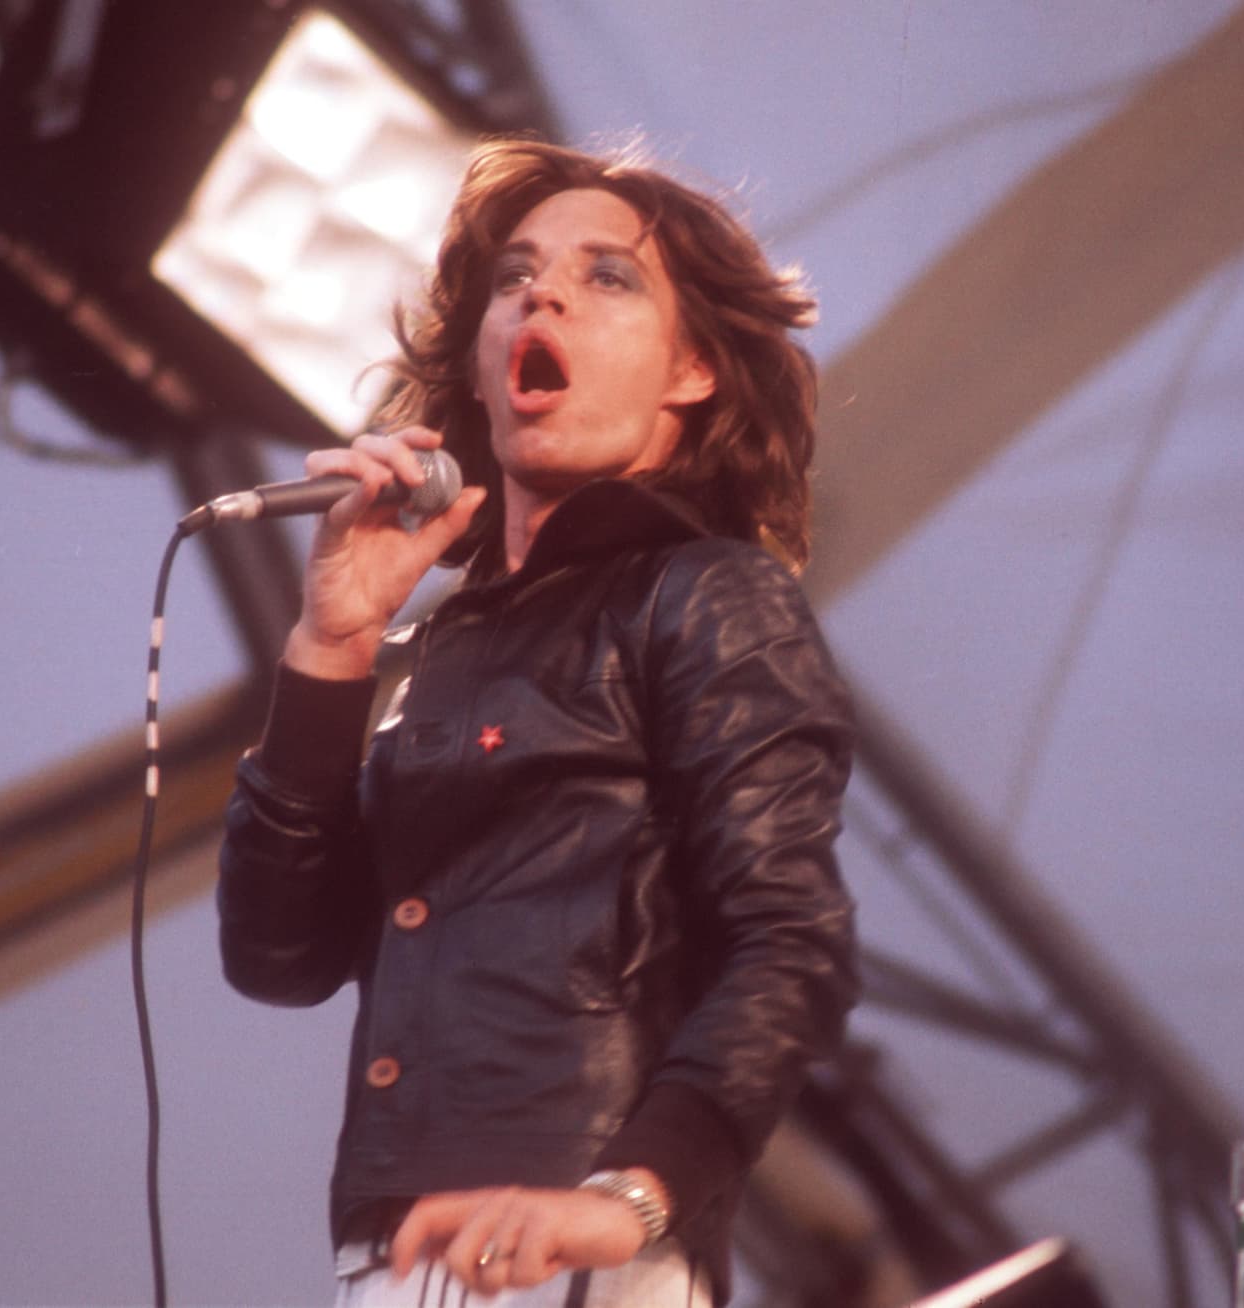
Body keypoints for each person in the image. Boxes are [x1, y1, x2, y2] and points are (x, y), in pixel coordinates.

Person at [216, 138, 856, 1307]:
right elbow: (274, 955)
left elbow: (793, 941)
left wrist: (631, 1194)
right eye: (514, 277)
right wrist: (332, 648)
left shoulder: (705, 594)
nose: (541, 293)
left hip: (567, 1242)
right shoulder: (438, 644)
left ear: (694, 369)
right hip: (393, 1253)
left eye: (608, 277)